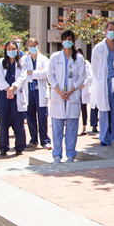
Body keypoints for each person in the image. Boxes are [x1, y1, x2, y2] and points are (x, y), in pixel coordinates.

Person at [48, 30, 86, 163]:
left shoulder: (79, 58)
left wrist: (70, 91)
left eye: (70, 39)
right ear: (62, 41)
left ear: (73, 41)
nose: (67, 41)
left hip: (72, 95)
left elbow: (81, 77)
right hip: (58, 95)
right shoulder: (55, 57)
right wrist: (59, 91)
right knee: (57, 129)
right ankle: (57, 155)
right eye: (65, 39)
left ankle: (70, 154)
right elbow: (50, 76)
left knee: (71, 129)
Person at [91, 22, 114, 146]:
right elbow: (95, 68)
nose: (112, 32)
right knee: (103, 111)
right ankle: (104, 138)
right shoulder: (98, 48)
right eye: (110, 29)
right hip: (103, 82)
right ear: (105, 31)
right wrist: (100, 81)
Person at [0, 41, 27, 156]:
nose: (11, 51)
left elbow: (22, 78)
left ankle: (19, 147)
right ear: (5, 50)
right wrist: (8, 89)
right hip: (4, 95)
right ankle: (4, 147)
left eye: (13, 48)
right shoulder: (0, 62)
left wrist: (13, 88)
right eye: (9, 49)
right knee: (3, 122)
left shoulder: (21, 63)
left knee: (18, 122)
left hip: (17, 93)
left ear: (17, 50)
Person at [22, 38, 51, 149]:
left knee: (42, 117)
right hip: (29, 91)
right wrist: (36, 73)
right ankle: (33, 140)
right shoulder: (24, 59)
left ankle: (45, 140)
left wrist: (31, 72)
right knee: (30, 116)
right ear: (27, 46)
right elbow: (23, 74)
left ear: (38, 46)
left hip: (40, 91)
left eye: (35, 45)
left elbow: (45, 73)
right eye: (30, 45)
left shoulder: (44, 59)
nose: (33, 47)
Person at [79, 50, 93, 135]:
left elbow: (89, 76)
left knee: (83, 108)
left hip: (83, 88)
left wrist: (83, 84)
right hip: (75, 89)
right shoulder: (73, 62)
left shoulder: (86, 63)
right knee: (75, 109)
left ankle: (84, 127)